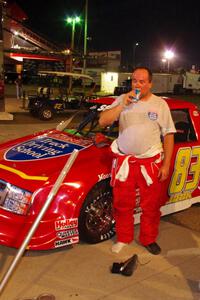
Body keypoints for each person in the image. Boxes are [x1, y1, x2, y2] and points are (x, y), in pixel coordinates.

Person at [99, 67, 176, 255]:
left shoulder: (159, 104)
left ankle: (148, 239)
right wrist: (122, 105)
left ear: (150, 83)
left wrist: (166, 164)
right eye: (134, 81)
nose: (138, 85)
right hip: (125, 161)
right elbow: (103, 121)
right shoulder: (122, 99)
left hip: (150, 162)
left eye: (142, 82)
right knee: (122, 204)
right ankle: (124, 238)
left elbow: (168, 135)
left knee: (150, 206)